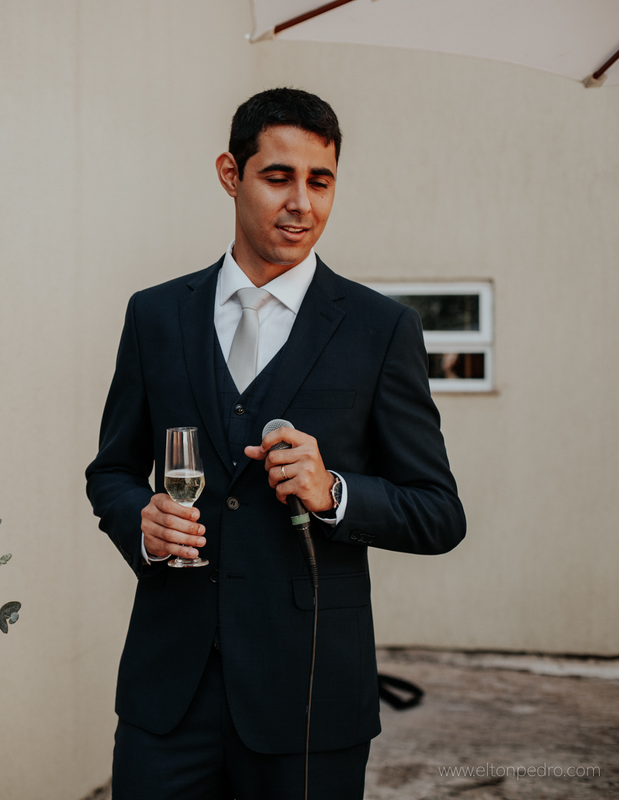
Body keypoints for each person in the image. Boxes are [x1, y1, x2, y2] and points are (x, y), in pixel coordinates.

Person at [85, 88, 465, 799]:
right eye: (278, 177)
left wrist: (335, 494)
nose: (301, 204)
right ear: (231, 174)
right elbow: (111, 470)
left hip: (310, 697)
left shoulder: (382, 330)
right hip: (168, 696)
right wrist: (142, 522)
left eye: (320, 181)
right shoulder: (156, 315)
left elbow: (439, 513)